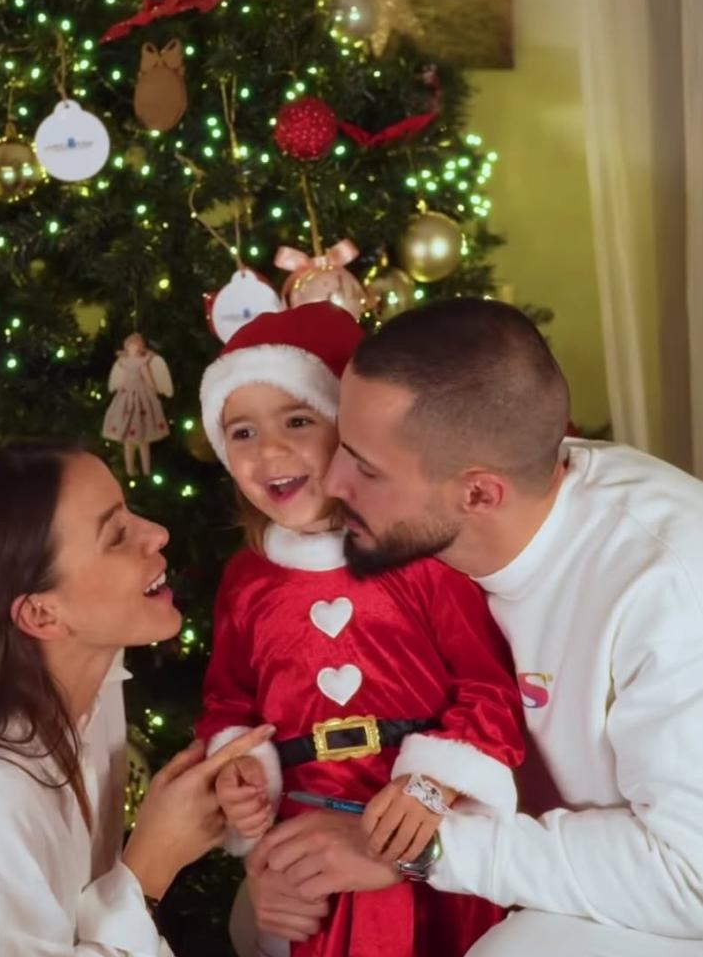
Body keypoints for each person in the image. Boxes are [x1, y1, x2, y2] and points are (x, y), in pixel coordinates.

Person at [247, 298, 703, 956]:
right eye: (341, 443)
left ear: (479, 494)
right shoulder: (424, 535)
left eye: (366, 468)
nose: (332, 478)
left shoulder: (667, 591)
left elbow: (690, 878)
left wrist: (419, 848)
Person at [196, 301, 525, 957]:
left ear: (349, 433)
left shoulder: (419, 555)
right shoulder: (246, 579)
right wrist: (239, 771)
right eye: (242, 432)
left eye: (297, 420)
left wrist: (432, 784)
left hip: (418, 830)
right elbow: (229, 702)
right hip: (306, 854)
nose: (270, 451)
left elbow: (490, 688)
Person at [0, 439, 270, 956]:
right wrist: (148, 868)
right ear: (41, 615)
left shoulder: (95, 682)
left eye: (131, 512)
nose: (158, 533)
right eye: (117, 535)